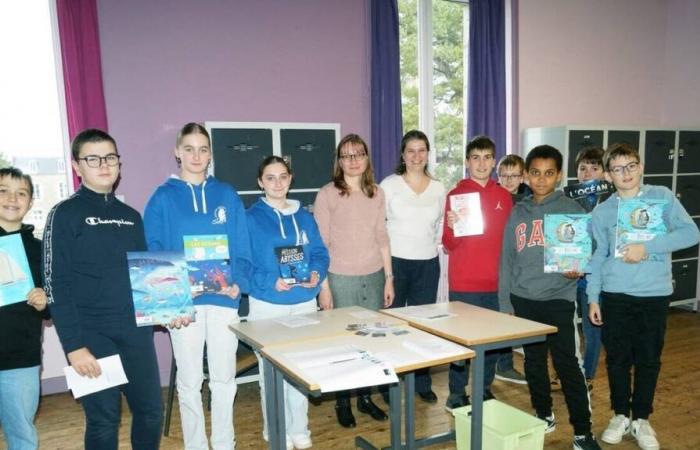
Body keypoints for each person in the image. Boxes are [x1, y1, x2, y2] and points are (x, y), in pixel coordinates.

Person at [43, 129, 162, 450]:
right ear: (77, 166)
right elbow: (56, 283)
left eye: (110, 157)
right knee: (104, 419)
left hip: (136, 332)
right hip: (91, 335)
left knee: (151, 412)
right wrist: (74, 346)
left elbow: (144, 276)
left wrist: (165, 308)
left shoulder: (131, 217)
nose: (104, 165)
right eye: (93, 159)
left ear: (119, 163)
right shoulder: (64, 213)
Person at [144, 122, 252, 450]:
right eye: (189, 148)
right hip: (183, 305)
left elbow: (242, 247)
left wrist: (239, 285)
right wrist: (167, 304)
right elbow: (154, 251)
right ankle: (195, 444)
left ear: (210, 154)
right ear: (177, 152)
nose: (196, 155)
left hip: (224, 301)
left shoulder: (226, 194)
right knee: (190, 382)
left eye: (203, 149)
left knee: (224, 379)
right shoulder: (163, 197)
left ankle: (224, 443)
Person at [587, 143, 699, 450]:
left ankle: (641, 419)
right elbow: (597, 257)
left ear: (641, 167)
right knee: (618, 360)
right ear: (608, 175)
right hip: (615, 294)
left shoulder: (661, 197)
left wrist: (647, 247)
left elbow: (691, 234)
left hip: (653, 294)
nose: (626, 174)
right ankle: (620, 414)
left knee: (649, 359)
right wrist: (593, 297)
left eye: (631, 166)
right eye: (618, 169)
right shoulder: (602, 211)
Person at [498, 144, 600, 450]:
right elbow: (506, 260)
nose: (541, 179)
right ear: (527, 175)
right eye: (536, 173)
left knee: (567, 364)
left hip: (558, 299)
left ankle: (583, 432)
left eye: (549, 173)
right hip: (523, 298)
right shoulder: (518, 211)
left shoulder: (571, 209)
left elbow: (589, 250)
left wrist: (578, 268)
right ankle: (543, 413)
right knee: (534, 362)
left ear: (558, 176)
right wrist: (506, 305)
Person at [246, 156, 329, 449]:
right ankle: (275, 429)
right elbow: (243, 264)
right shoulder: (251, 218)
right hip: (267, 305)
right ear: (260, 182)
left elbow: (319, 253)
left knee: (301, 369)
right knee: (271, 374)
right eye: (270, 177)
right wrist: (270, 281)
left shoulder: (305, 216)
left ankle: (300, 429)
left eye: (283, 176)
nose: (277, 183)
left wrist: (316, 275)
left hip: (304, 303)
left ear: (291, 178)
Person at [313, 133, 394, 428]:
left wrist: (388, 278)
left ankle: (365, 398)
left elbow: (382, 237)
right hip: (340, 278)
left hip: (373, 276)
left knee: (371, 341)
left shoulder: (377, 193)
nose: (353, 160)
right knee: (345, 343)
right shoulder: (327, 194)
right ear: (339, 161)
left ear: (366, 157)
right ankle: (343, 402)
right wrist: (323, 288)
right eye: (346, 156)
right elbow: (320, 245)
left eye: (358, 154)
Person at [441, 136, 514, 410]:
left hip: (495, 284)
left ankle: (483, 389)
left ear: (494, 161)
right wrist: (450, 226)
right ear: (467, 162)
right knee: (460, 344)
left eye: (486, 157)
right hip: (464, 284)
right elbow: (449, 244)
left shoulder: (504, 197)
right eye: (475, 157)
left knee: (491, 344)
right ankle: (456, 394)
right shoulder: (456, 196)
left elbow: (509, 243)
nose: (481, 163)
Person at [379, 130, 445, 403]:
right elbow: (379, 227)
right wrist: (388, 274)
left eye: (422, 150)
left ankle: (421, 381)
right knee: (390, 324)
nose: (417, 156)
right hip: (395, 264)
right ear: (403, 155)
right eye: (411, 151)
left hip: (428, 263)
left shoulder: (439, 188)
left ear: (428, 153)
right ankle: (387, 381)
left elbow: (441, 224)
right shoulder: (389, 185)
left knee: (423, 326)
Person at [0, 168, 48, 450]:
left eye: (21, 193)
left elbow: (53, 306)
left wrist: (45, 302)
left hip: (20, 360)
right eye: (3, 190)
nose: (12, 198)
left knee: (22, 436)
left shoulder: (41, 250)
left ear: (30, 202)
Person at [492, 154, 530, 385]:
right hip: (497, 264)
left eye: (514, 175)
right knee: (501, 314)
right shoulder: (492, 196)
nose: (509, 180)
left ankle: (508, 362)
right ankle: (502, 364)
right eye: (504, 175)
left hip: (522, 266)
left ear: (523, 176)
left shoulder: (529, 200)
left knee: (515, 316)